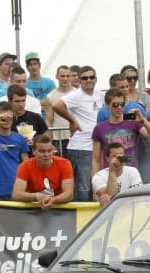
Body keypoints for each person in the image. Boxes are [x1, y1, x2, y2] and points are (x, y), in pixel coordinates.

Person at [52, 65, 103, 202]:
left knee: (98, 186)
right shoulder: (75, 95)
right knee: (83, 188)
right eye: (85, 78)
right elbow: (56, 105)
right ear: (79, 80)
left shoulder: (100, 95)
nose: (88, 80)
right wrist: (72, 121)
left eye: (91, 77)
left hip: (98, 147)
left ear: (96, 79)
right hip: (80, 148)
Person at [91, 87, 150, 175]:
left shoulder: (133, 122)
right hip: (110, 173)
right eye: (115, 105)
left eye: (122, 104)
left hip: (131, 173)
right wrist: (95, 180)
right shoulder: (99, 128)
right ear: (107, 105)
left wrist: (143, 120)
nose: (119, 108)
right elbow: (96, 159)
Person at [0, 102, 29, 199]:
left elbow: (27, 164)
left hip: (18, 189)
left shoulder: (19, 138)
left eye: (10, 117)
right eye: (3, 117)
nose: (6, 120)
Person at [12, 134, 74, 209]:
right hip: (34, 209)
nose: (46, 154)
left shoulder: (65, 164)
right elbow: (16, 194)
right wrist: (36, 196)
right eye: (42, 151)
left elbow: (69, 194)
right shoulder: (25, 166)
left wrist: (53, 200)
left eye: (49, 150)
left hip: (59, 208)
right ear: (33, 151)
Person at [45, 65, 75, 155]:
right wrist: (49, 140)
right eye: (62, 76)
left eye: (67, 76)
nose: (65, 79)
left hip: (75, 138)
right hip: (58, 139)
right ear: (57, 77)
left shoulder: (78, 94)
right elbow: (49, 120)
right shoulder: (50, 96)